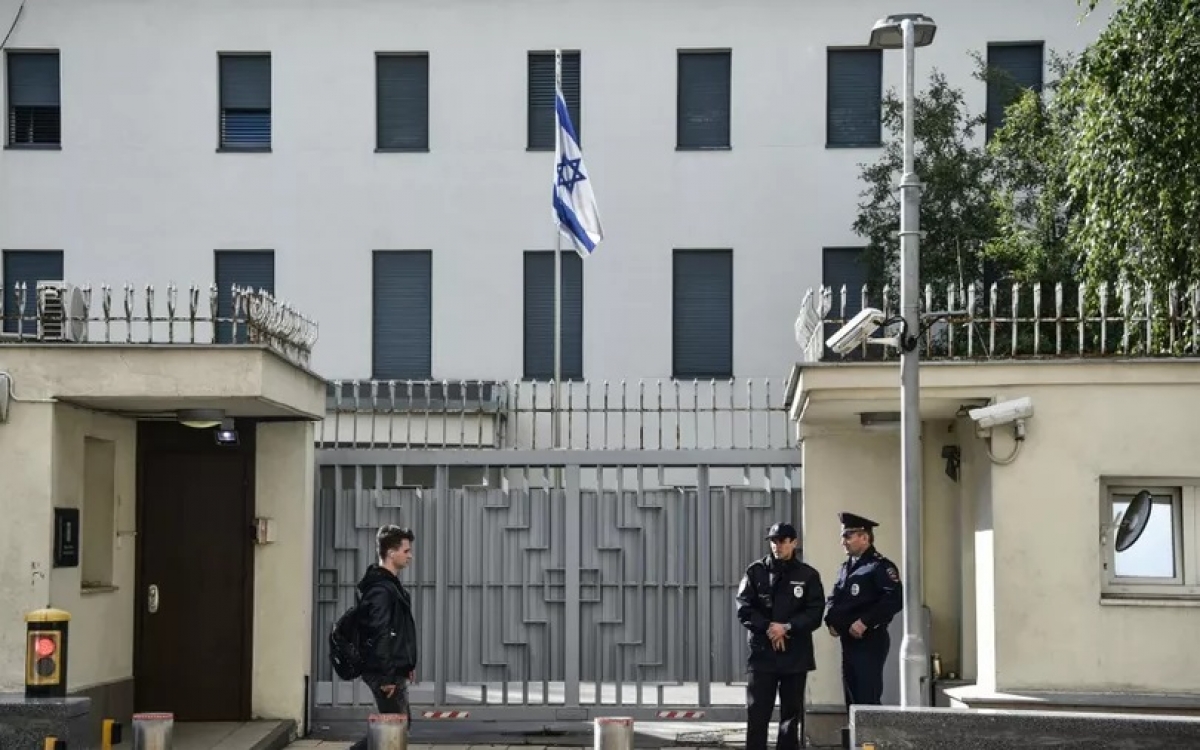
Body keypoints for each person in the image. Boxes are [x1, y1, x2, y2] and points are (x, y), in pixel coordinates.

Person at [735, 522, 826, 750]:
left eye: (783, 541)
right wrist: (769, 627)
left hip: (794, 655)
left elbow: (815, 613)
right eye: (774, 541)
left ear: (794, 543)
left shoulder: (807, 575)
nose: (778, 546)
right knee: (757, 712)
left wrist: (787, 627)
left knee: (790, 717)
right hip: (763, 654)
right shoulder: (756, 571)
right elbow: (744, 608)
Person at [349, 525, 419, 750]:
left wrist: (406, 663)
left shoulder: (389, 585)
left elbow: (397, 630)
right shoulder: (381, 590)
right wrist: (387, 676)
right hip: (383, 671)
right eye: (406, 550)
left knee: (397, 726)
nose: (410, 555)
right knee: (393, 728)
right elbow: (380, 633)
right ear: (391, 553)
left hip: (392, 667)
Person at [823, 512, 903, 708]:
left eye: (848, 536)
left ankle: (869, 731)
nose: (843, 542)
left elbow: (894, 599)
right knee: (851, 698)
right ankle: (853, 730)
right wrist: (830, 621)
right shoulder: (845, 568)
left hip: (869, 641)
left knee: (867, 698)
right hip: (848, 640)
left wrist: (865, 622)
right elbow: (834, 598)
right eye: (843, 536)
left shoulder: (879, 566)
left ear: (864, 537)